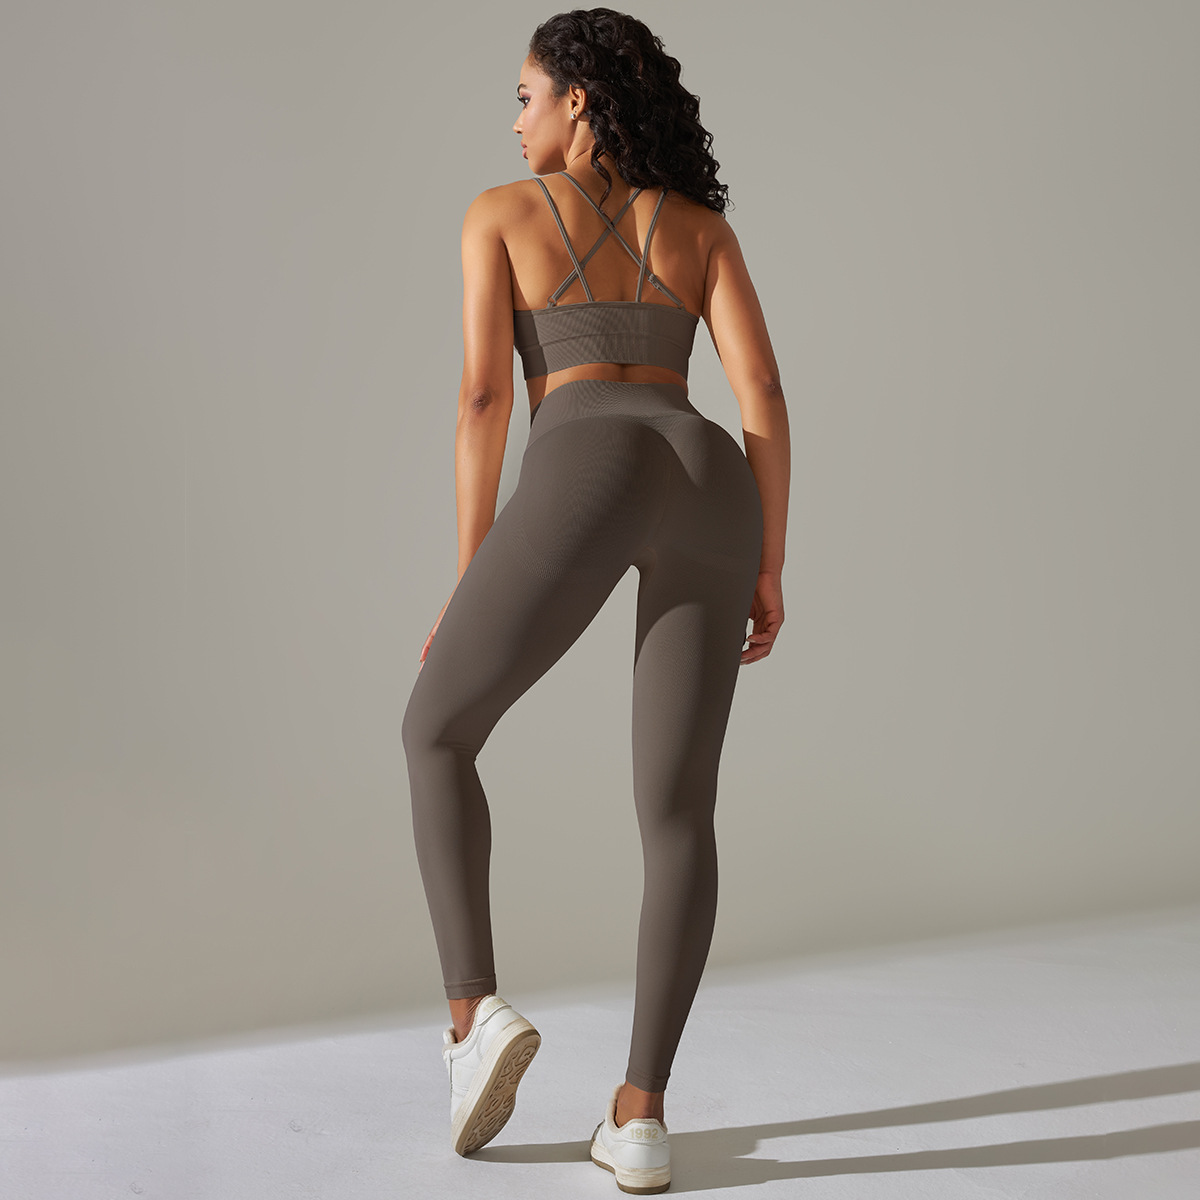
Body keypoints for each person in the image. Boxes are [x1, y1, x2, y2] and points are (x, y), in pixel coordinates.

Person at [400, 8, 789, 1193]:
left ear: (576, 100)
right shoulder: (702, 228)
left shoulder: (501, 214)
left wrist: (472, 570)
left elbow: (483, 401)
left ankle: (473, 1020)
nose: (515, 121)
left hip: (589, 461)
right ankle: (642, 1116)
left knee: (434, 731)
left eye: (524, 96)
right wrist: (768, 561)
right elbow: (762, 395)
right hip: (709, 473)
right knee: (678, 811)